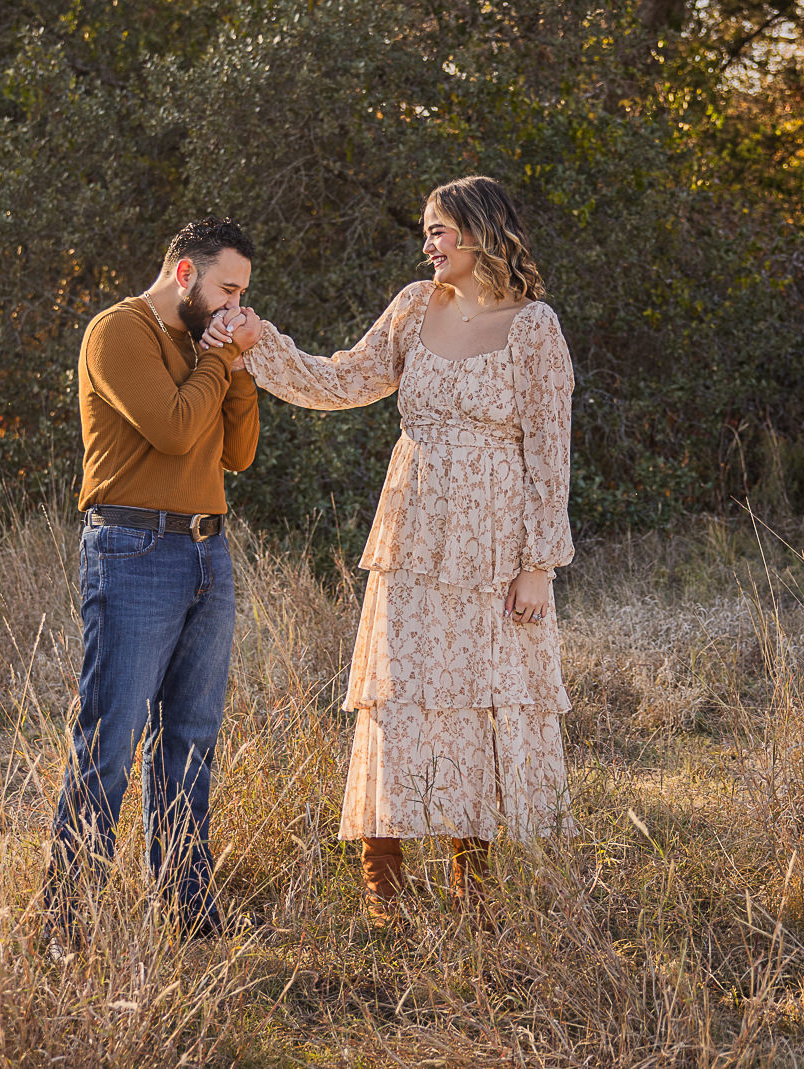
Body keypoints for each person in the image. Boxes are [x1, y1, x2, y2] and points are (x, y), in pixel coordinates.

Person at [205, 176, 574, 923]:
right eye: (427, 231)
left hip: (496, 541)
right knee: (399, 692)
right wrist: (259, 342)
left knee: (478, 696)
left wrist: (539, 563)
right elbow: (341, 379)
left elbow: (551, 451)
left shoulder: (535, 327)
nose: (428, 243)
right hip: (411, 528)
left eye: (439, 230)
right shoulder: (415, 307)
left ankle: (475, 890)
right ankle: (386, 891)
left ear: (480, 232)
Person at [41, 217, 264, 946]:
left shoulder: (207, 348)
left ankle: (189, 913)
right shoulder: (119, 331)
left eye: (243, 294)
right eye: (227, 288)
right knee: (110, 742)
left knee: (192, 739)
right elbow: (171, 429)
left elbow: (238, 451)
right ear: (183, 275)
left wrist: (234, 370)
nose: (234, 305)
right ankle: (65, 924)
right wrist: (217, 362)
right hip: (134, 548)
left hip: (208, 551)